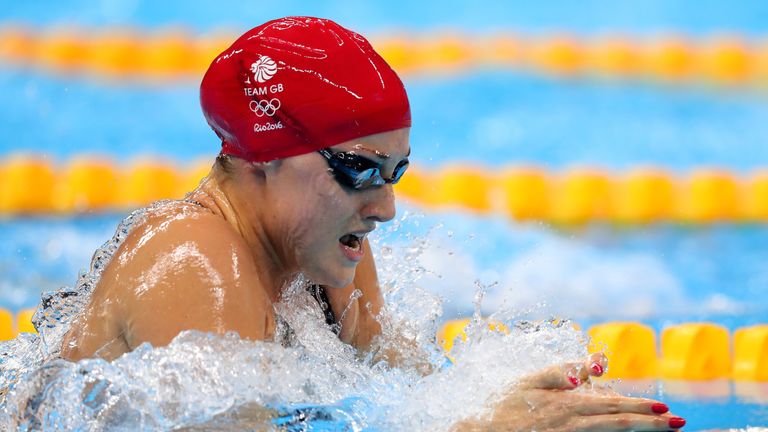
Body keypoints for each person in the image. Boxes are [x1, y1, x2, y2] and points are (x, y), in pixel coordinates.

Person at [59, 16, 685, 431]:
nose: (385, 207)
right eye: (359, 171)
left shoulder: (323, 261)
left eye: (396, 172)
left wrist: (517, 405)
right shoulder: (194, 261)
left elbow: (417, 400)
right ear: (261, 158)